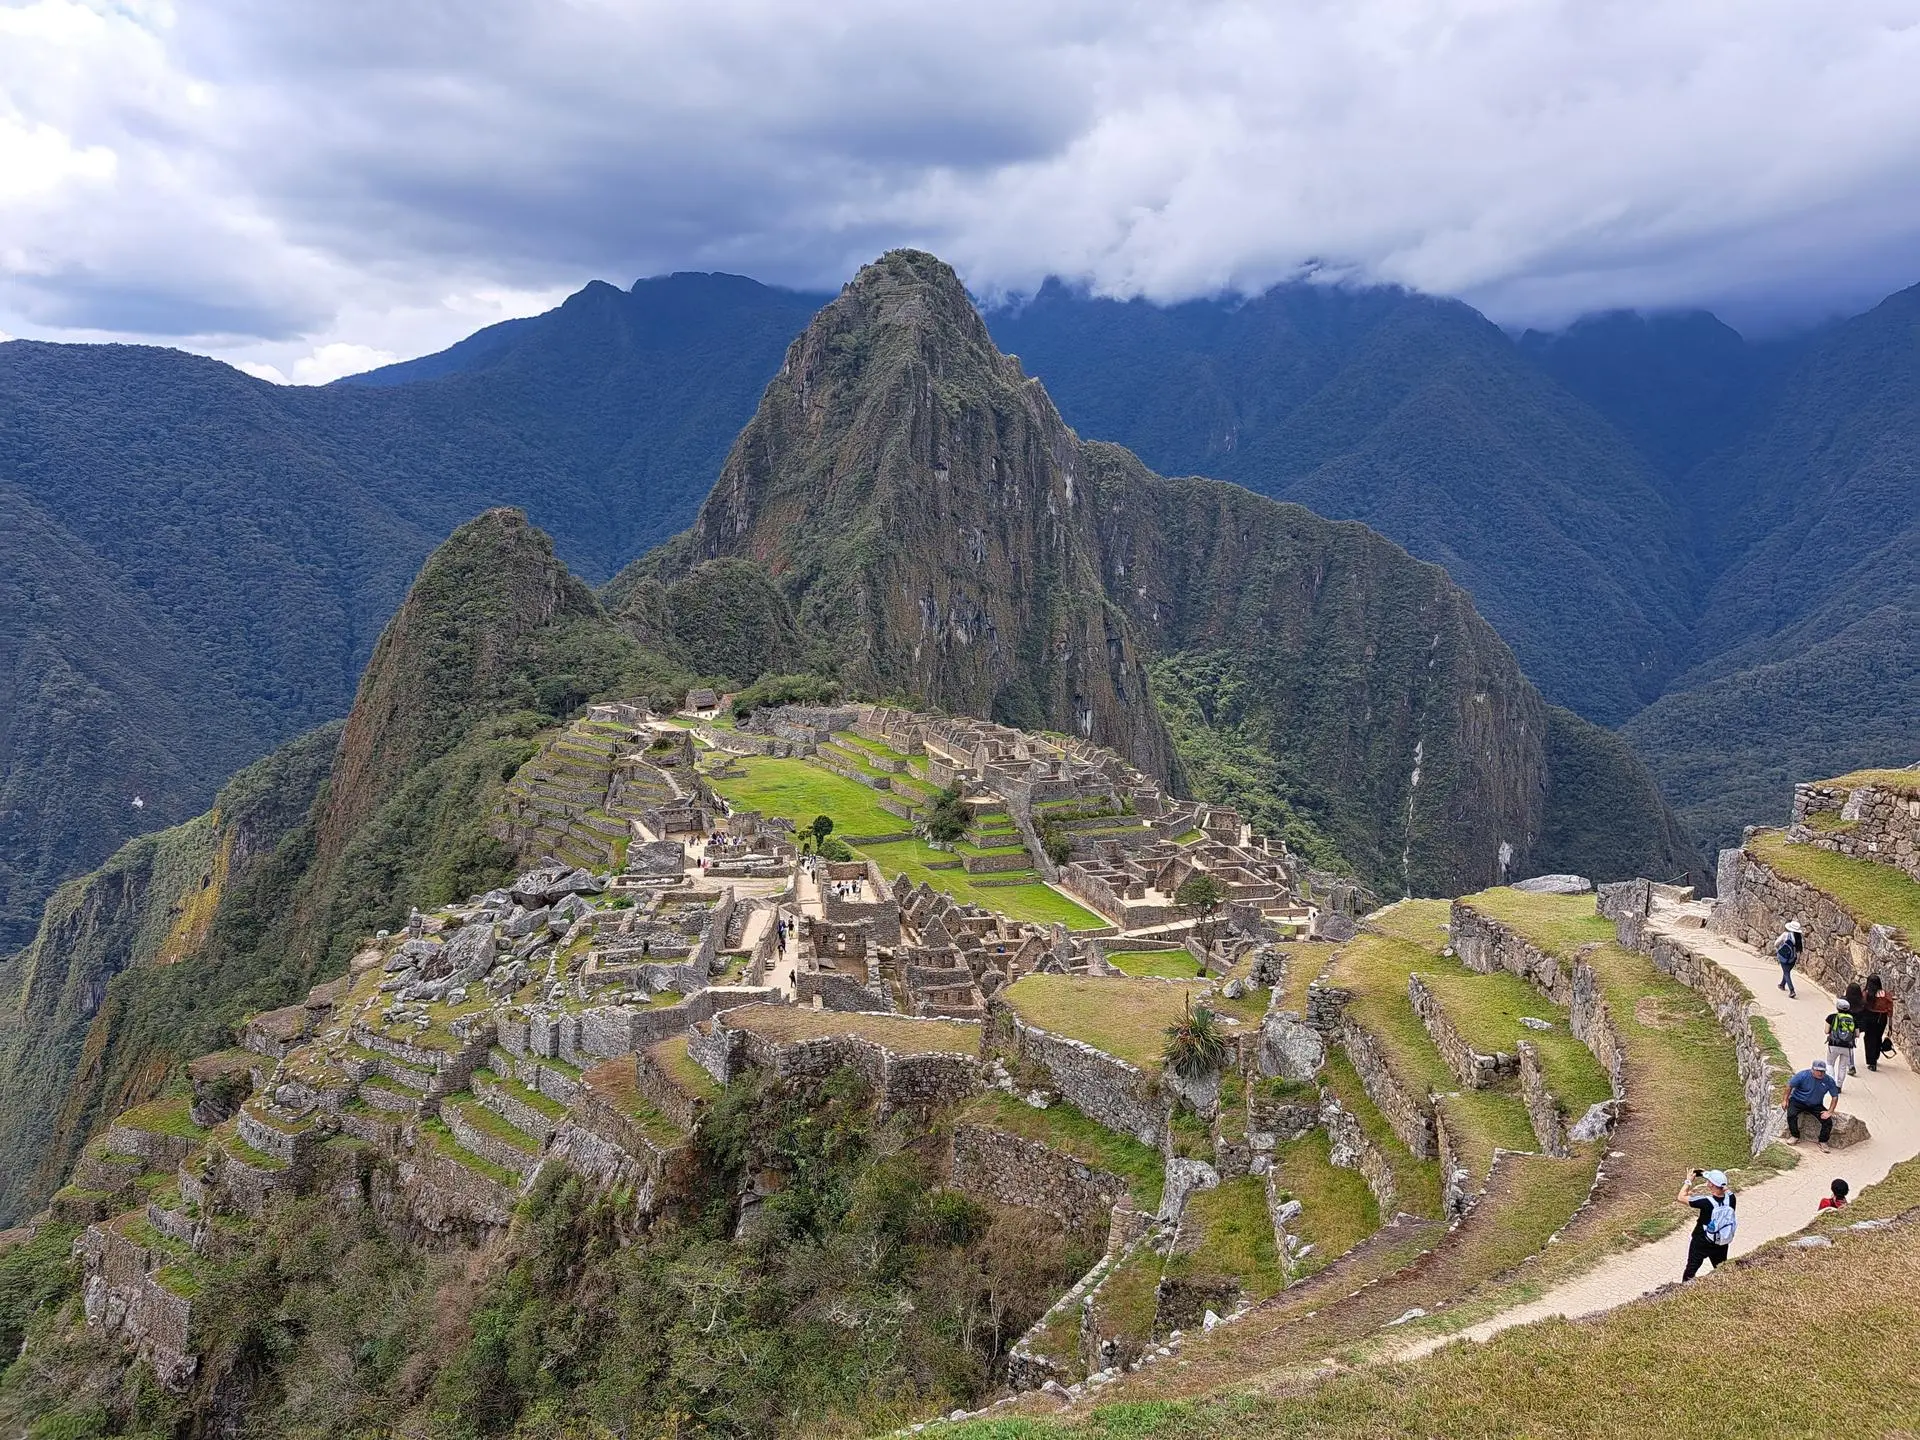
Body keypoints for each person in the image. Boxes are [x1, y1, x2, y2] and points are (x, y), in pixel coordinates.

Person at [1678, 1168, 1737, 1279]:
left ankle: (1682, 1291)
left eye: (1709, 1181)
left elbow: (1681, 1197)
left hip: (1701, 1242)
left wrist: (1688, 1181)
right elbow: (1725, 1188)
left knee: (1691, 1269)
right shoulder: (1731, 1199)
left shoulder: (1706, 1202)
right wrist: (1712, 1177)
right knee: (1721, 1268)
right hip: (1721, 1241)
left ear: (1711, 1185)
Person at [1784, 1059, 1841, 1149]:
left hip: (1815, 1104)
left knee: (1828, 1121)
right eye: (1818, 1071)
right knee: (1791, 1115)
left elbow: (1835, 1096)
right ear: (1812, 1070)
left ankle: (1823, 1141)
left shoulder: (1828, 1080)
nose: (1820, 1073)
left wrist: (1830, 1111)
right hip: (1798, 1101)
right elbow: (1789, 1086)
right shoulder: (1802, 1075)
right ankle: (1795, 1136)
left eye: (1822, 1071)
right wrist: (1785, 1100)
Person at [1862, 974, 1895, 1070]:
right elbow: (1890, 1008)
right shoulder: (1885, 994)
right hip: (1882, 1018)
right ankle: (1875, 1057)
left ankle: (1872, 1062)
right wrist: (1890, 1025)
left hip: (1870, 1017)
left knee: (1869, 1039)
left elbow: (1862, 1004)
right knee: (1877, 1037)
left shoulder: (1867, 993)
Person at [1826, 999, 1860, 1088]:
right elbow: (1857, 1034)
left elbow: (1826, 1031)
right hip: (1848, 1046)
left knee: (1830, 1064)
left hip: (1834, 1044)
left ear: (1837, 1007)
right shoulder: (1853, 1019)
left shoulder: (1831, 1017)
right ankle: (1839, 1086)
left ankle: (1831, 1083)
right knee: (1842, 1067)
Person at [1775, 920, 1804, 996]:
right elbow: (1799, 950)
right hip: (1793, 958)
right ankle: (1782, 985)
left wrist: (1778, 950)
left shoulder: (1785, 935)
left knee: (1786, 973)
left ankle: (1792, 990)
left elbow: (1776, 943)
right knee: (1787, 971)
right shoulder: (1799, 938)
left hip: (1784, 956)